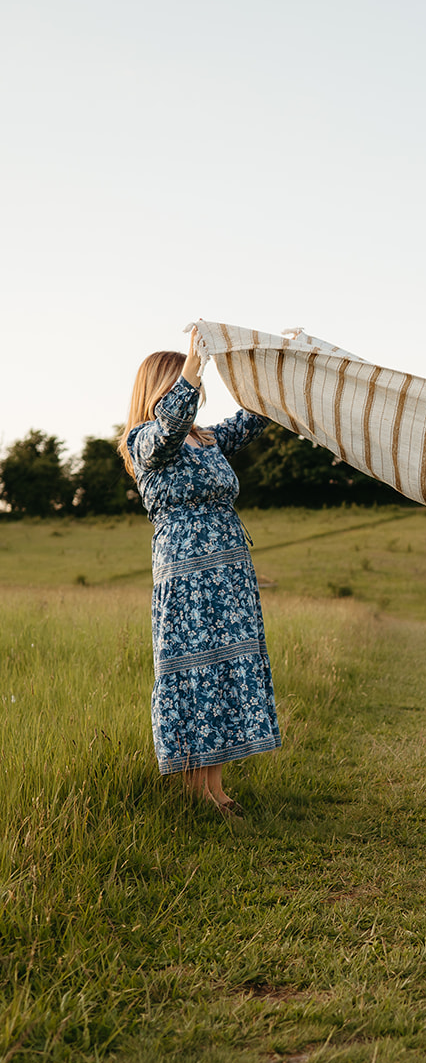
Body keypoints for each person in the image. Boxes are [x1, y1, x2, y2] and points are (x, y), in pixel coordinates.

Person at [118, 329, 281, 813]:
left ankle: (215, 787)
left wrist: (277, 372)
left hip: (229, 575)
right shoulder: (146, 440)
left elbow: (255, 418)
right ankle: (196, 791)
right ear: (161, 388)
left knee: (223, 670)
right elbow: (169, 426)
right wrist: (194, 364)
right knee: (195, 673)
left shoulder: (206, 439)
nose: (191, 389)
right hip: (187, 576)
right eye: (179, 382)